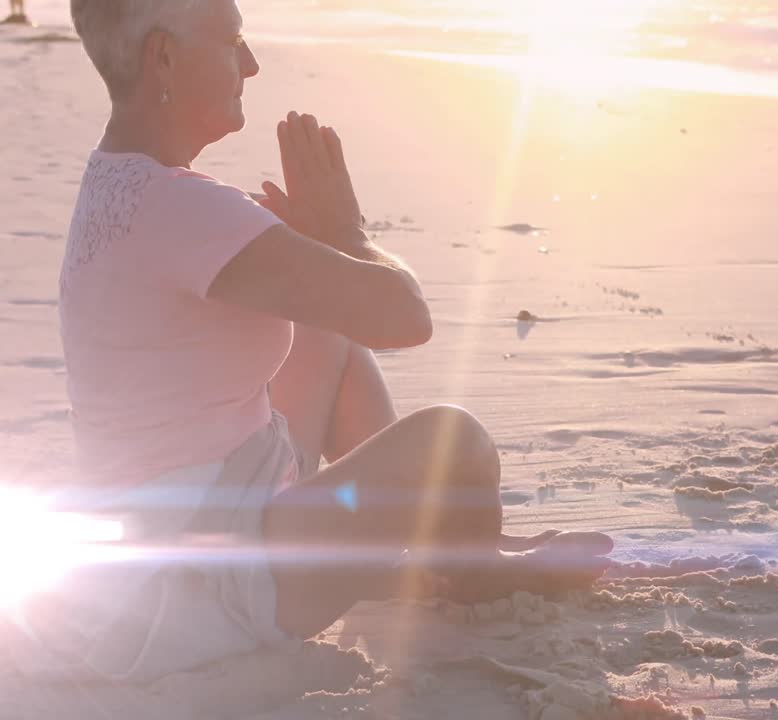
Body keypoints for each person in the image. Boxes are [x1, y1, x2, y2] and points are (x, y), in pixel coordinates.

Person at [17, 0, 613, 683]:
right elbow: (405, 318)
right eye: (232, 41)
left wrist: (319, 252)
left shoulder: (120, 182)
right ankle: (467, 572)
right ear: (164, 58)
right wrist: (350, 238)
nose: (250, 63)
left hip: (172, 538)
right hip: (206, 581)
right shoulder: (181, 208)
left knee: (328, 333)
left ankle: (414, 547)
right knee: (459, 441)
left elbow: (336, 317)